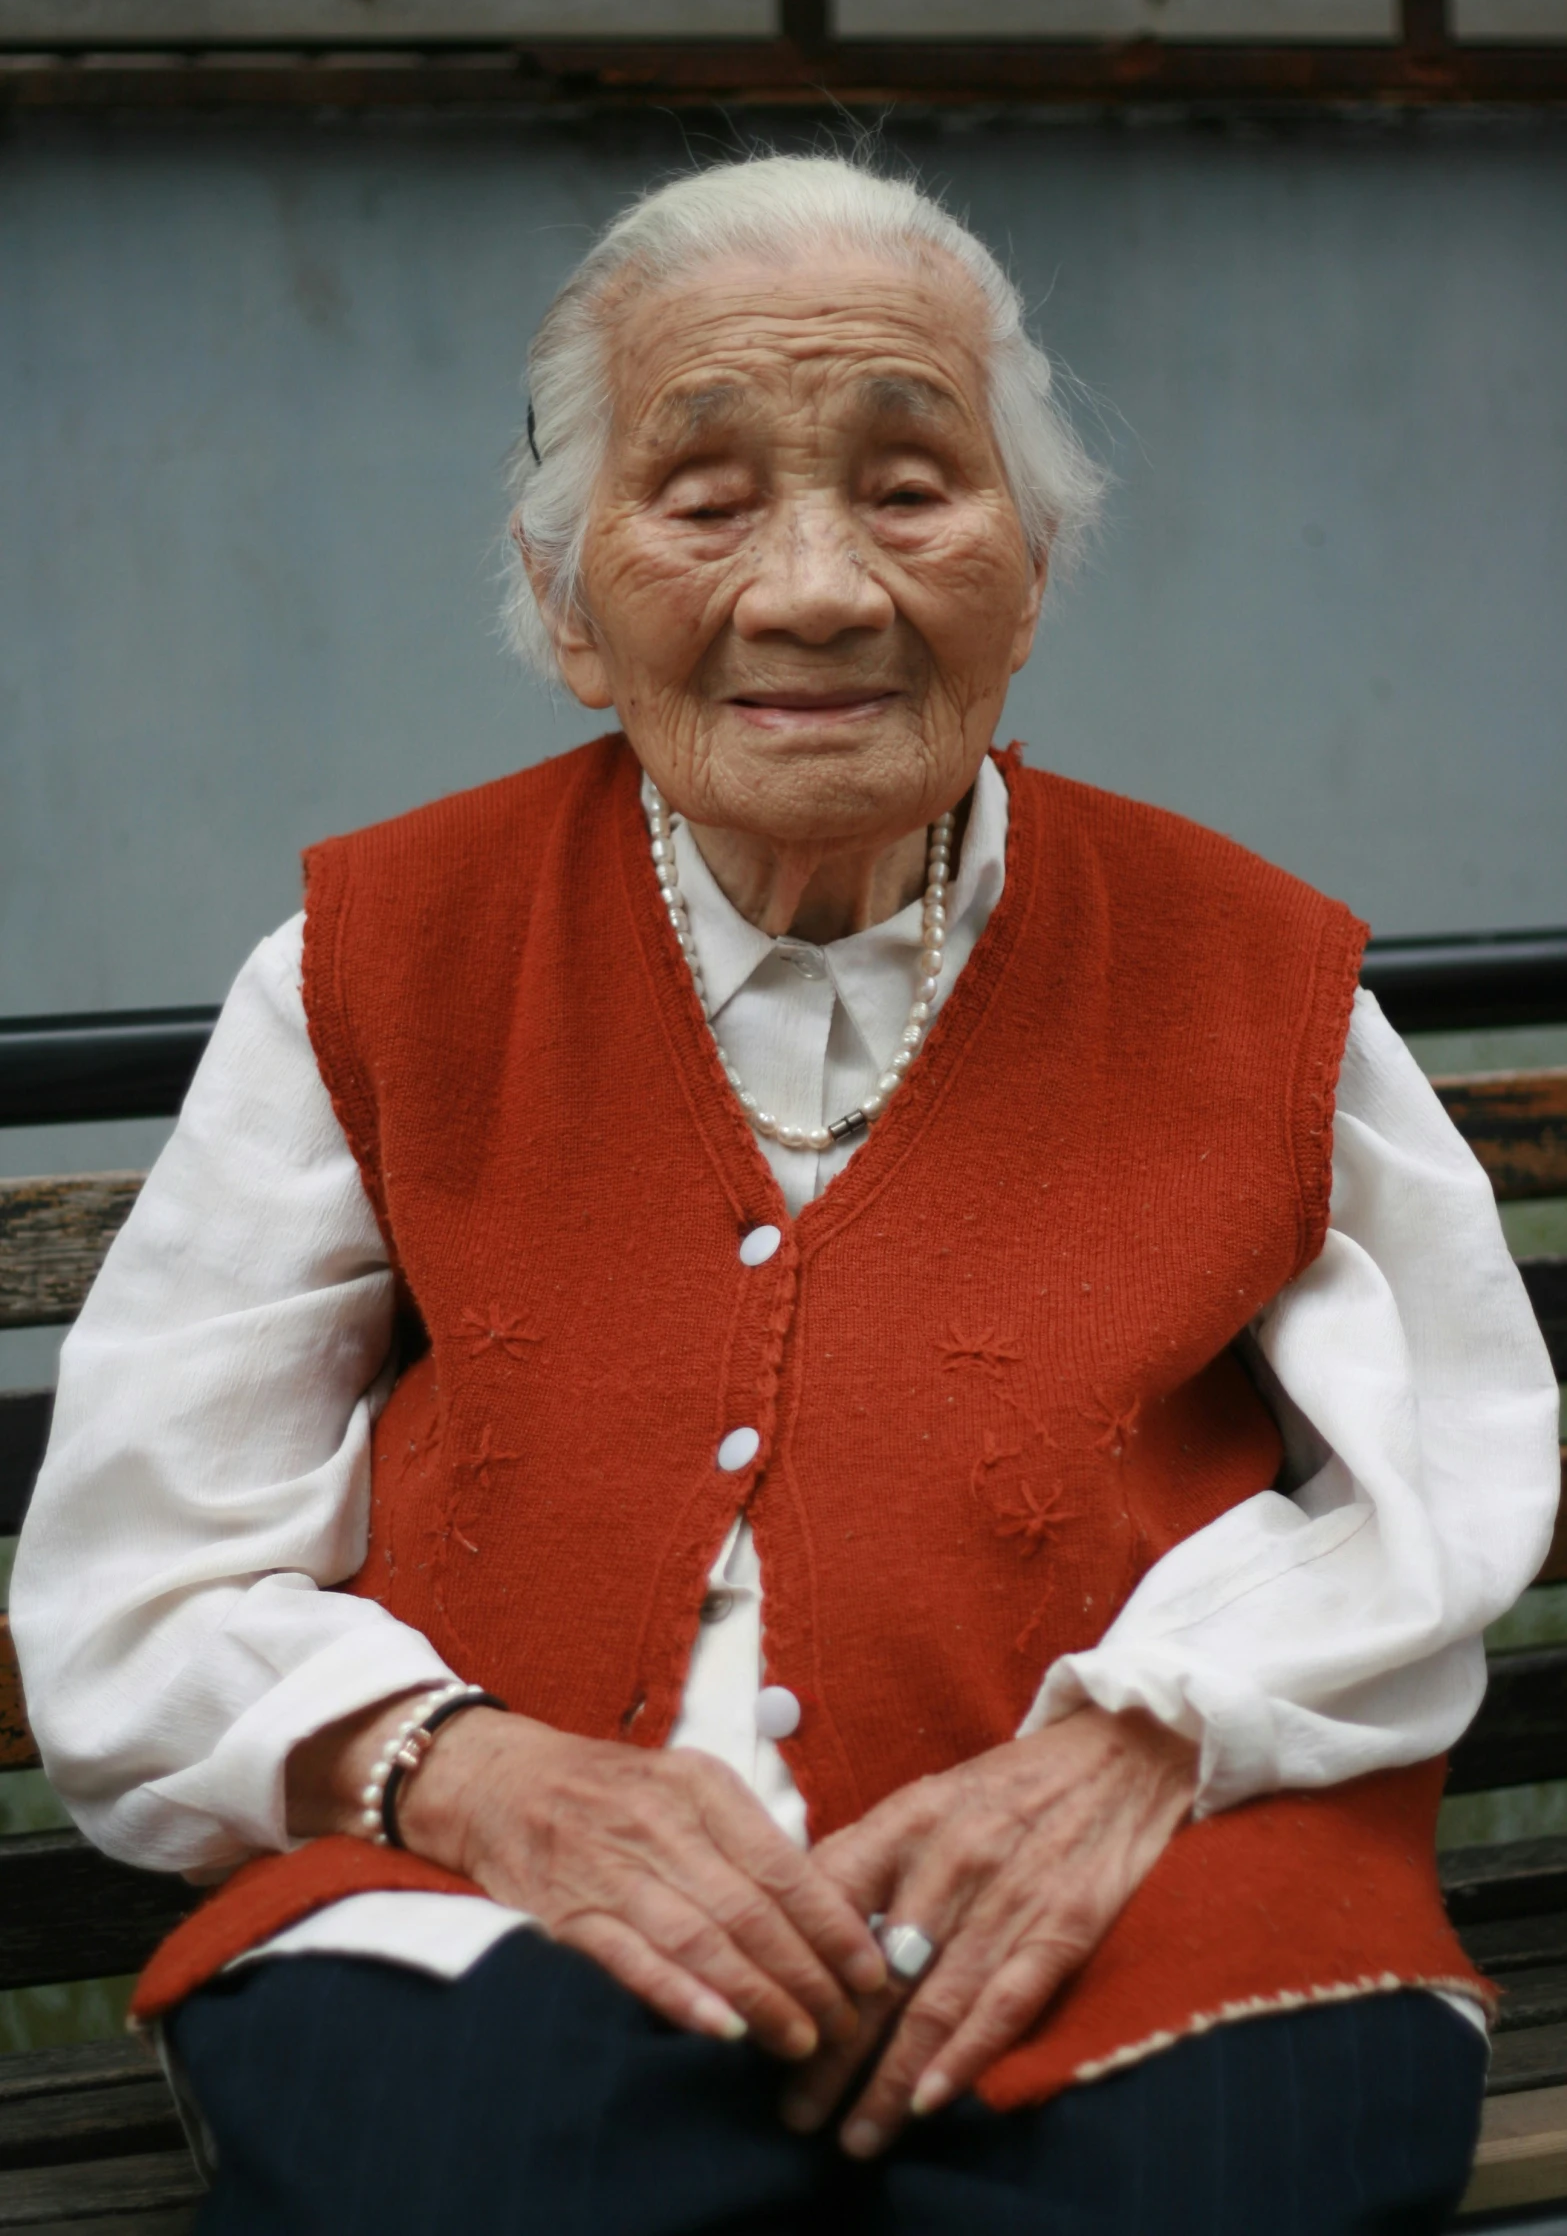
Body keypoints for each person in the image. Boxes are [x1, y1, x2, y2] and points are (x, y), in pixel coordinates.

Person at [12, 153, 1559, 2236]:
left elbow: (1437, 1472)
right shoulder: (381, 966)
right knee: (465, 2160)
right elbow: (148, 1547)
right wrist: (470, 1769)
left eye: (912, 486)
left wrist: (1133, 1746)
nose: (819, 585)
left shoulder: (1246, 965)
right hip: (503, 1883)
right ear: (567, 602)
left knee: (1228, 2158)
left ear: (1028, 574)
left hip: (1124, 1855)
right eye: (708, 494)